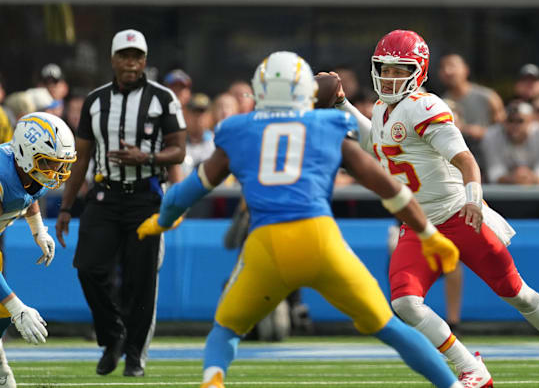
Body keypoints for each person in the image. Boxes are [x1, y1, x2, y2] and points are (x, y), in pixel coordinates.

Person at [136, 51, 464, 388]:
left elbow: (188, 191)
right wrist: (427, 232)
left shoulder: (238, 131)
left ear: (259, 89)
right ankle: (451, 386)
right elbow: (388, 187)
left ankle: (213, 381)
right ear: (302, 90)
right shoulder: (327, 125)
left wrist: (162, 220)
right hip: (318, 240)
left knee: (225, 330)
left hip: (266, 245)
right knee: (388, 326)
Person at [337, 29, 539, 388]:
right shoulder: (385, 109)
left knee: (518, 294)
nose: (390, 77)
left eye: (399, 70)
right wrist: (342, 102)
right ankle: (470, 367)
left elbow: (466, 160)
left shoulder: (426, 106)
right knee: (405, 303)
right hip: (418, 226)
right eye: (384, 69)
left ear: (418, 71)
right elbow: (374, 141)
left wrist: (473, 200)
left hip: (457, 214)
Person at [55, 29, 187, 378]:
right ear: (113, 59)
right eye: (125, 57)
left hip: (145, 196)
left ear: (145, 60)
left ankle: (134, 355)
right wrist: (67, 206)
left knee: (140, 279)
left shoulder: (163, 98)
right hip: (104, 194)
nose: (131, 63)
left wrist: (147, 158)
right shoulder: (95, 101)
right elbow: (81, 158)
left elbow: (179, 149)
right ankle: (113, 335)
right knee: (88, 267)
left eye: (137, 57)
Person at [0, 112, 77, 388]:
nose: (54, 173)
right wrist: (18, 306)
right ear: (24, 152)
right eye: (48, 163)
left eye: (58, 165)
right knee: (9, 307)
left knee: (1, 312)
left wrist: (38, 230)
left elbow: (29, 195)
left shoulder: (30, 171)